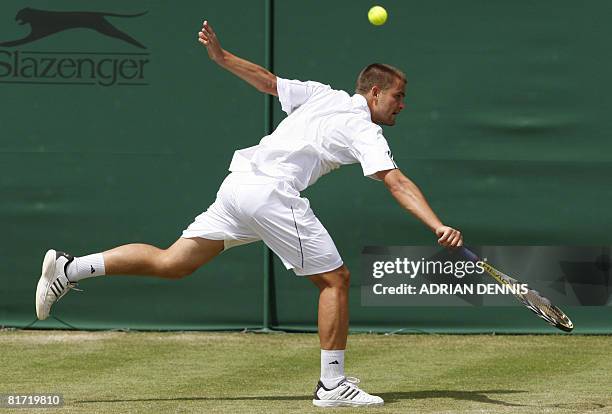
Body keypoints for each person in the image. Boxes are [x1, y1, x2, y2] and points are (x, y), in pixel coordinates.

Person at [35, 20, 463, 408]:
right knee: (335, 280)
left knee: (174, 262)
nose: (401, 105)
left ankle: (71, 269)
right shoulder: (363, 128)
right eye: (398, 96)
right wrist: (437, 224)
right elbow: (396, 181)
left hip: (238, 185)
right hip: (271, 194)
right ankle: (332, 386)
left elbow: (269, 83)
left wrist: (221, 59)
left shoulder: (322, 96)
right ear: (374, 92)